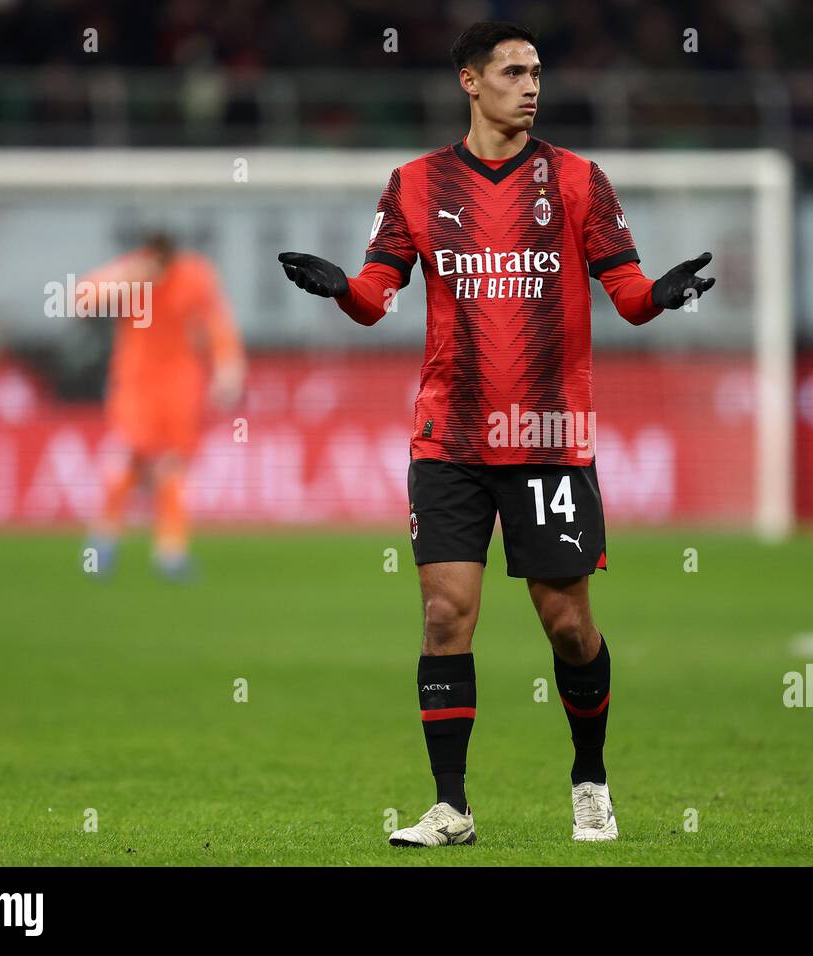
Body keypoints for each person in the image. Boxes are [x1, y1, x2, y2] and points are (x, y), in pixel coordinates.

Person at [278, 21, 715, 846]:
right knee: (446, 615)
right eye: (513, 71)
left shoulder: (580, 181)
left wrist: (660, 291)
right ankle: (451, 805)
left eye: (537, 71)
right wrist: (341, 286)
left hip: (547, 435)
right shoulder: (414, 184)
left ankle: (590, 778)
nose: (531, 84)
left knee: (569, 626)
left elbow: (622, 292)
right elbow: (378, 294)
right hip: (450, 438)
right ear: (469, 82)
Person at [82, 232, 245, 580]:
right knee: (131, 456)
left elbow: (218, 325)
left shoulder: (196, 276)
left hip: (180, 386)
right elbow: (82, 299)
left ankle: (170, 551)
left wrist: (228, 367)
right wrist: (118, 283)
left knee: (173, 464)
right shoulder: (130, 273)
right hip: (135, 383)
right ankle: (104, 540)